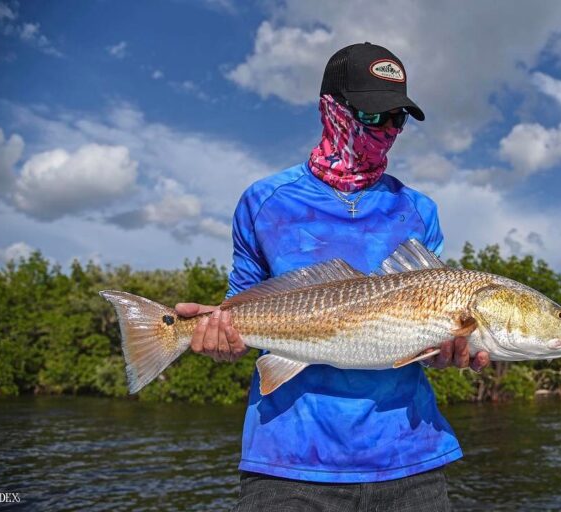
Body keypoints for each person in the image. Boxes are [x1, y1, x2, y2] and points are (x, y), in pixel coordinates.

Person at [175, 42, 489, 511]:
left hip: (411, 458)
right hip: (288, 465)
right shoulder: (266, 201)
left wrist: (448, 354)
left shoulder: (419, 210)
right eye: (371, 114)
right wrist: (219, 336)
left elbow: (424, 333)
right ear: (331, 109)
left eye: (396, 118)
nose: (385, 130)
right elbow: (241, 307)